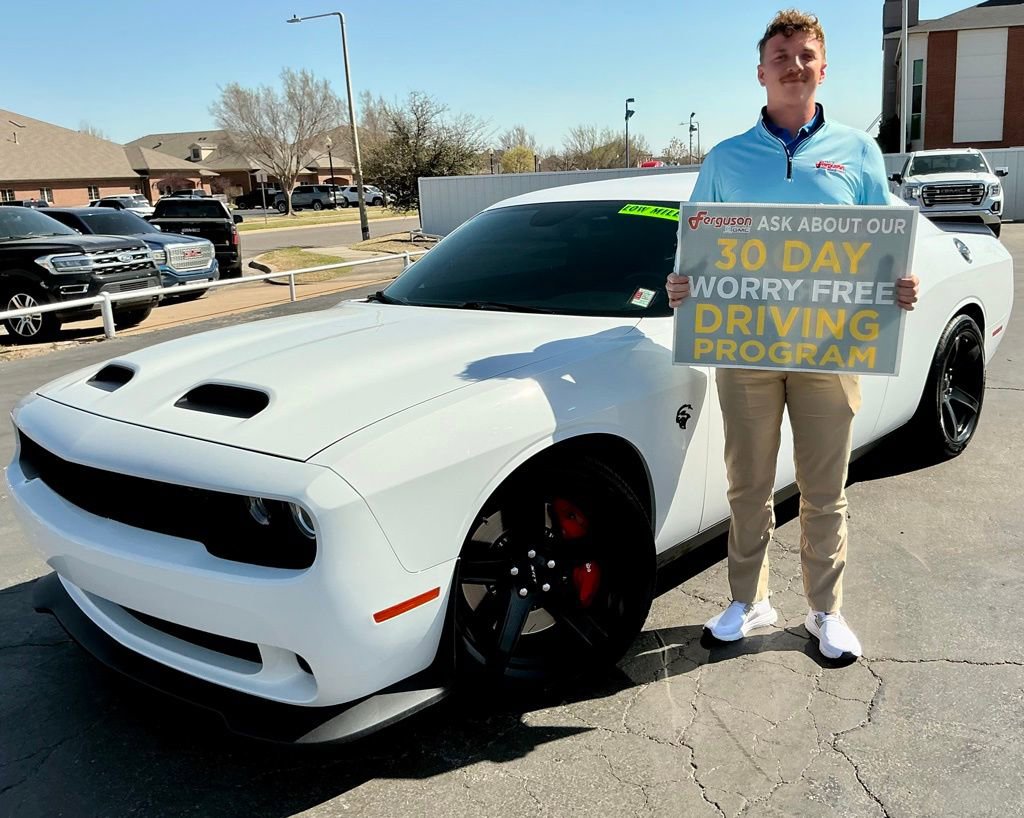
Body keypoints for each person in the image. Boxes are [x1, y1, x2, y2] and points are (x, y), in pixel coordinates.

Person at [665, 9, 919, 661]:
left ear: (823, 67)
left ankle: (824, 612)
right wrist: (684, 286)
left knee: (823, 488)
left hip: (829, 349)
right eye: (781, 55)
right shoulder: (725, 158)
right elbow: (699, 249)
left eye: (805, 54)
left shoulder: (858, 154)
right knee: (747, 483)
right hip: (746, 348)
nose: (793, 64)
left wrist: (897, 284)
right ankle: (749, 602)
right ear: (761, 72)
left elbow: (881, 245)